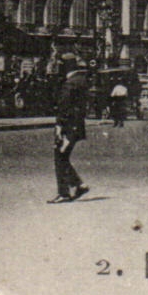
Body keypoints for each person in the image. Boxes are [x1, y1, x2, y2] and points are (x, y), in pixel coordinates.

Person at [50, 56, 90, 204]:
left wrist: (60, 126)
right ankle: (79, 185)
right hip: (76, 125)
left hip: (68, 126)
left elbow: (64, 107)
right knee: (63, 156)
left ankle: (64, 192)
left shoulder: (69, 84)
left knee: (59, 156)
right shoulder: (81, 80)